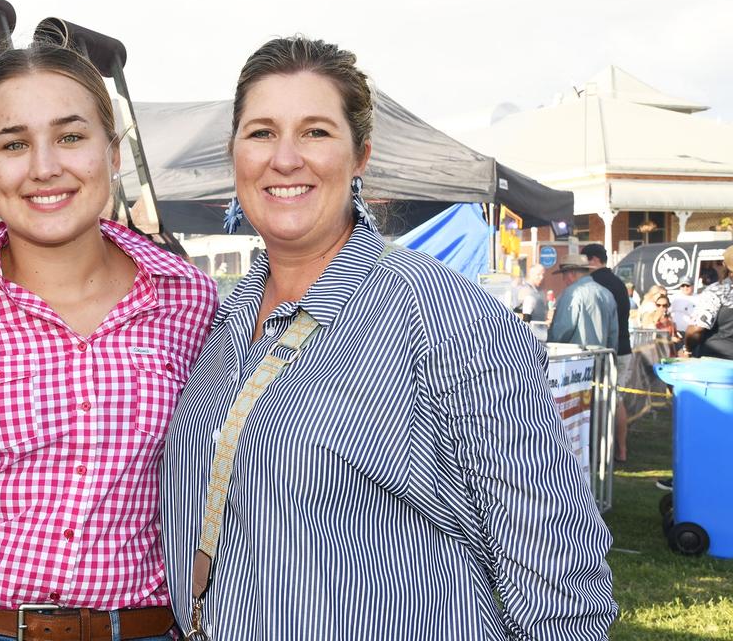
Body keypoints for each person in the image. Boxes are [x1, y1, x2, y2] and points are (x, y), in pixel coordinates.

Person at [159, 36, 615, 640]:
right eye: (262, 132)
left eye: (317, 132)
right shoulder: (225, 317)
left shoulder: (443, 313)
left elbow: (556, 565)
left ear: (361, 155)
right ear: (233, 153)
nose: (286, 157)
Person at [0, 44, 217, 641]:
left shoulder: (190, 302)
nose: (44, 167)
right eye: (14, 144)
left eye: (70, 137)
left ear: (112, 154)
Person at [549, 262, 619, 349]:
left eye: (564, 275)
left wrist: (549, 344)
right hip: (601, 357)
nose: (563, 280)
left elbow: (562, 330)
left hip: (575, 358)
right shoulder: (607, 293)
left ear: (572, 274)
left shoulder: (572, 293)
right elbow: (613, 333)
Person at [684, 245, 733, 360]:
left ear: (724, 265)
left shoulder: (717, 291)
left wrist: (687, 349)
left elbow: (696, 330)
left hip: (717, 361)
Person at [581, 243, 630, 355]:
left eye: (583, 261)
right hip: (624, 346)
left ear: (594, 259)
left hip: (603, 351)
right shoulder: (619, 282)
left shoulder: (592, 285)